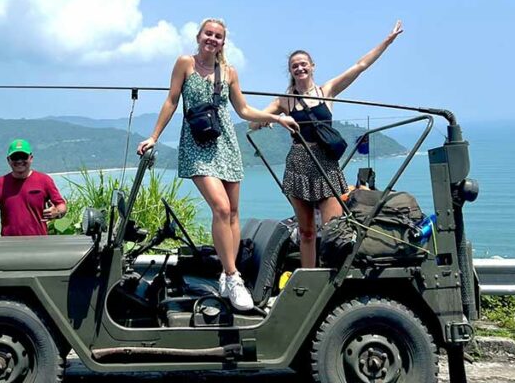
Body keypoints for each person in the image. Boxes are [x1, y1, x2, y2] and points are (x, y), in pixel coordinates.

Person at [137, 18, 299, 310]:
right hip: (197, 146)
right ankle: (234, 277)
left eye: (218, 36)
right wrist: (154, 137)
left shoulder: (229, 72)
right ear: (198, 36)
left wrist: (276, 118)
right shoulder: (185, 63)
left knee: (234, 213)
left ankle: (227, 274)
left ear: (224, 42)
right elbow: (171, 100)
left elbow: (243, 109)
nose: (212, 39)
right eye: (208, 34)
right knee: (221, 208)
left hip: (226, 145)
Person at [251, 20, 404, 268]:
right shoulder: (284, 100)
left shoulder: (327, 91)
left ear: (312, 66)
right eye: (294, 66)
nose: (300, 68)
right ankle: (308, 277)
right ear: (290, 71)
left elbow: (360, 66)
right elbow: (253, 122)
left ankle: (331, 277)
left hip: (325, 164)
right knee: (307, 231)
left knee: (334, 230)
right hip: (299, 164)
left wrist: (387, 41)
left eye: (303, 64)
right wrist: (272, 119)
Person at [0, 139, 67, 237]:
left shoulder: (44, 180)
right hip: (9, 243)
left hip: (39, 241)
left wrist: (57, 212)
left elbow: (61, 206)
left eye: (23, 157)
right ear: (8, 160)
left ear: (31, 158)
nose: (19, 161)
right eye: (15, 157)